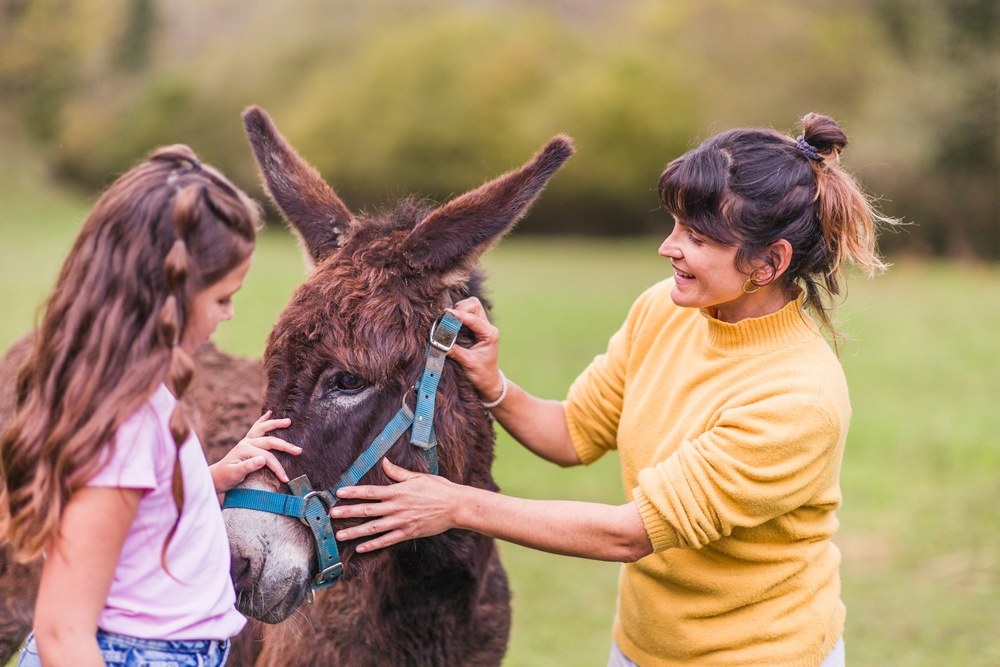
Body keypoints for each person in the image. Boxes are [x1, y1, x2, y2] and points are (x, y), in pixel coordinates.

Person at [329, 113, 896, 666]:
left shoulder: (796, 399)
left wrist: (457, 504)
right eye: (673, 225)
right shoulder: (665, 310)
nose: (668, 248)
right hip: (642, 646)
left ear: (768, 263)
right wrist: (492, 383)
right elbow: (573, 434)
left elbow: (629, 534)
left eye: (697, 237)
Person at [0, 145, 300, 667]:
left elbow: (137, 517)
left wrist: (213, 477)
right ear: (170, 295)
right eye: (223, 298)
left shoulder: (136, 394)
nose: (230, 315)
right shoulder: (127, 425)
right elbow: (63, 631)